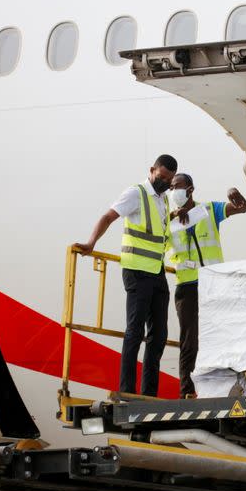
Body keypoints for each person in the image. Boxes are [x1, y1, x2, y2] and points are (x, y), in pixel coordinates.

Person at [75, 154, 177, 397]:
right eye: (161, 177)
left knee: (159, 335)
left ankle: (149, 393)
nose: (164, 182)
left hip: (156, 272)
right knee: (135, 331)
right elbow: (108, 217)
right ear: (152, 170)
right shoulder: (136, 193)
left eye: (168, 180)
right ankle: (127, 390)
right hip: (137, 272)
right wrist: (91, 243)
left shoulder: (163, 200)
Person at [167, 173, 246, 398]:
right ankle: (187, 391)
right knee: (189, 341)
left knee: (220, 334)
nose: (174, 192)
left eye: (178, 187)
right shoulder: (168, 221)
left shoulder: (209, 210)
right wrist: (174, 214)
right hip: (187, 286)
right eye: (171, 188)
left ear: (190, 189)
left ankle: (227, 387)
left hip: (212, 284)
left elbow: (242, 208)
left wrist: (236, 195)